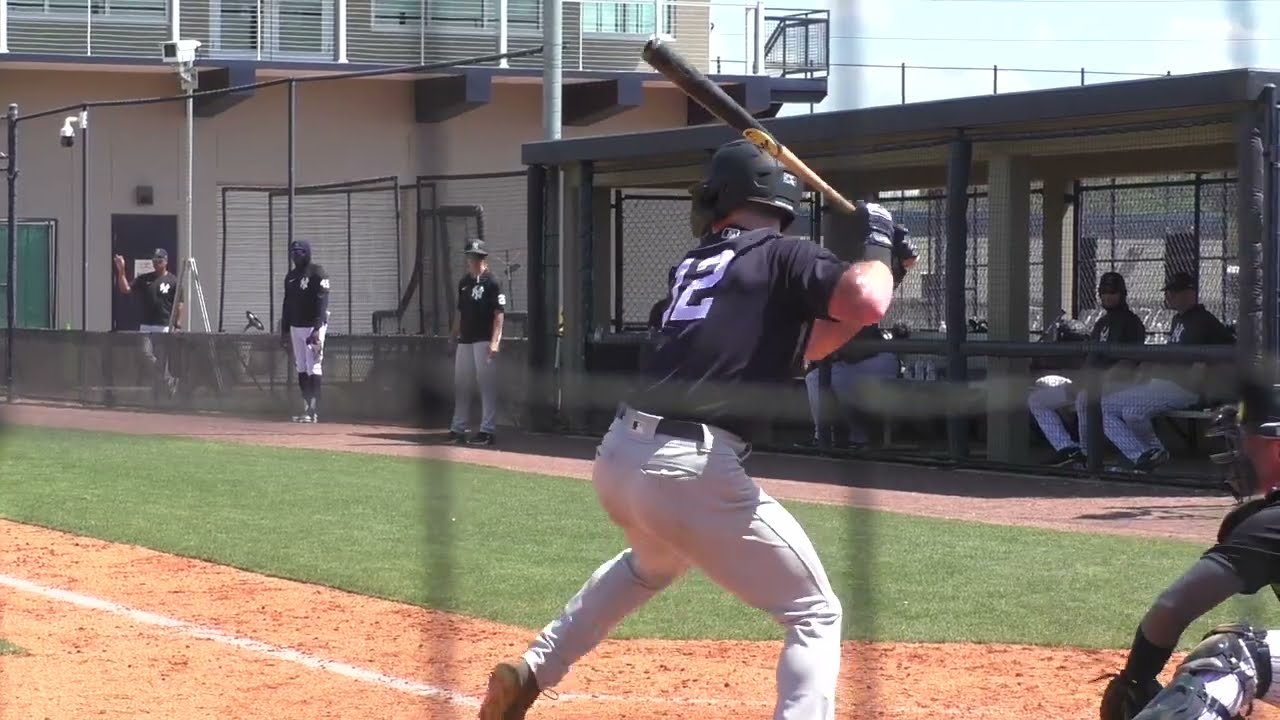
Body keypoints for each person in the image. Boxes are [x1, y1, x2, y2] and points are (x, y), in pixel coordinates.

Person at [477, 138, 896, 720]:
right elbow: (866, 300)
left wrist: (887, 267)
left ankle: (531, 672)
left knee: (650, 565)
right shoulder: (783, 252)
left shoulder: (699, 265)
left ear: (726, 195)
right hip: (689, 466)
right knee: (815, 612)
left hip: (620, 455)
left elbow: (811, 347)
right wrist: (877, 247)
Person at [1098, 379, 1280, 720]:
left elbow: (1172, 607)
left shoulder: (1270, 524)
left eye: (1250, 443)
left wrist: (1136, 678)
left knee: (1232, 654)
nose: (1241, 455)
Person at [1099, 271, 1235, 472]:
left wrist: (1209, 373)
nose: (1169, 295)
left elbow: (1233, 350)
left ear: (1190, 293)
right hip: (1166, 384)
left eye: (1174, 291)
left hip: (1186, 388)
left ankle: (1148, 454)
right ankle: (1145, 456)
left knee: (1128, 410)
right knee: (1113, 407)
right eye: (1168, 291)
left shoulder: (1205, 320)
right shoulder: (1178, 319)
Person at [802, 221, 915, 449]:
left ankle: (857, 438)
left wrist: (903, 257)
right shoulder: (834, 291)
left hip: (880, 360)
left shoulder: (871, 284)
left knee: (841, 379)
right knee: (816, 379)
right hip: (854, 365)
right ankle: (823, 436)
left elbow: (899, 271)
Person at [1027, 271, 1148, 467]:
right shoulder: (1102, 323)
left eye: (1113, 292)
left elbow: (1129, 363)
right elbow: (1090, 360)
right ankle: (1068, 448)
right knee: (1037, 400)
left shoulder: (1132, 323)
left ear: (1122, 293)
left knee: (1085, 398)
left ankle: (1087, 453)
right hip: (1089, 382)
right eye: (1104, 292)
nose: (1108, 296)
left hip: (1117, 384)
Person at [449, 239, 506, 446]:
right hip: (465, 339)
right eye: (470, 256)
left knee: (486, 385)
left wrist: (495, 341)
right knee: (462, 384)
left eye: (476, 256)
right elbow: (460, 312)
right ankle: (458, 427)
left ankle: (487, 431)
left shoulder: (493, 282)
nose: (472, 260)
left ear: (483, 258)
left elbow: (499, 314)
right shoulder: (464, 282)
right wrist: (454, 334)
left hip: (483, 339)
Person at [113, 248, 182, 397]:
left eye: (159, 261)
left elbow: (179, 304)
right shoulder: (144, 279)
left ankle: (162, 394)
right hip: (146, 326)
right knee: (145, 353)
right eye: (154, 261)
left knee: (162, 361)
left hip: (163, 326)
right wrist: (121, 270)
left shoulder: (173, 281)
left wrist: (178, 324)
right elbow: (126, 289)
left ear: (166, 261)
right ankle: (169, 381)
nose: (156, 263)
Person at [280, 240, 330, 423]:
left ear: (307, 253)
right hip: (296, 327)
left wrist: (317, 328)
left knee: (313, 365)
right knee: (300, 366)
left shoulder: (318, 273)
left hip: (313, 327)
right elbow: (287, 304)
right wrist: (285, 330)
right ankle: (306, 407)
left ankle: (314, 409)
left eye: (300, 252)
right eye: (293, 252)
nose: (296, 255)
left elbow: (322, 301)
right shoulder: (291, 277)